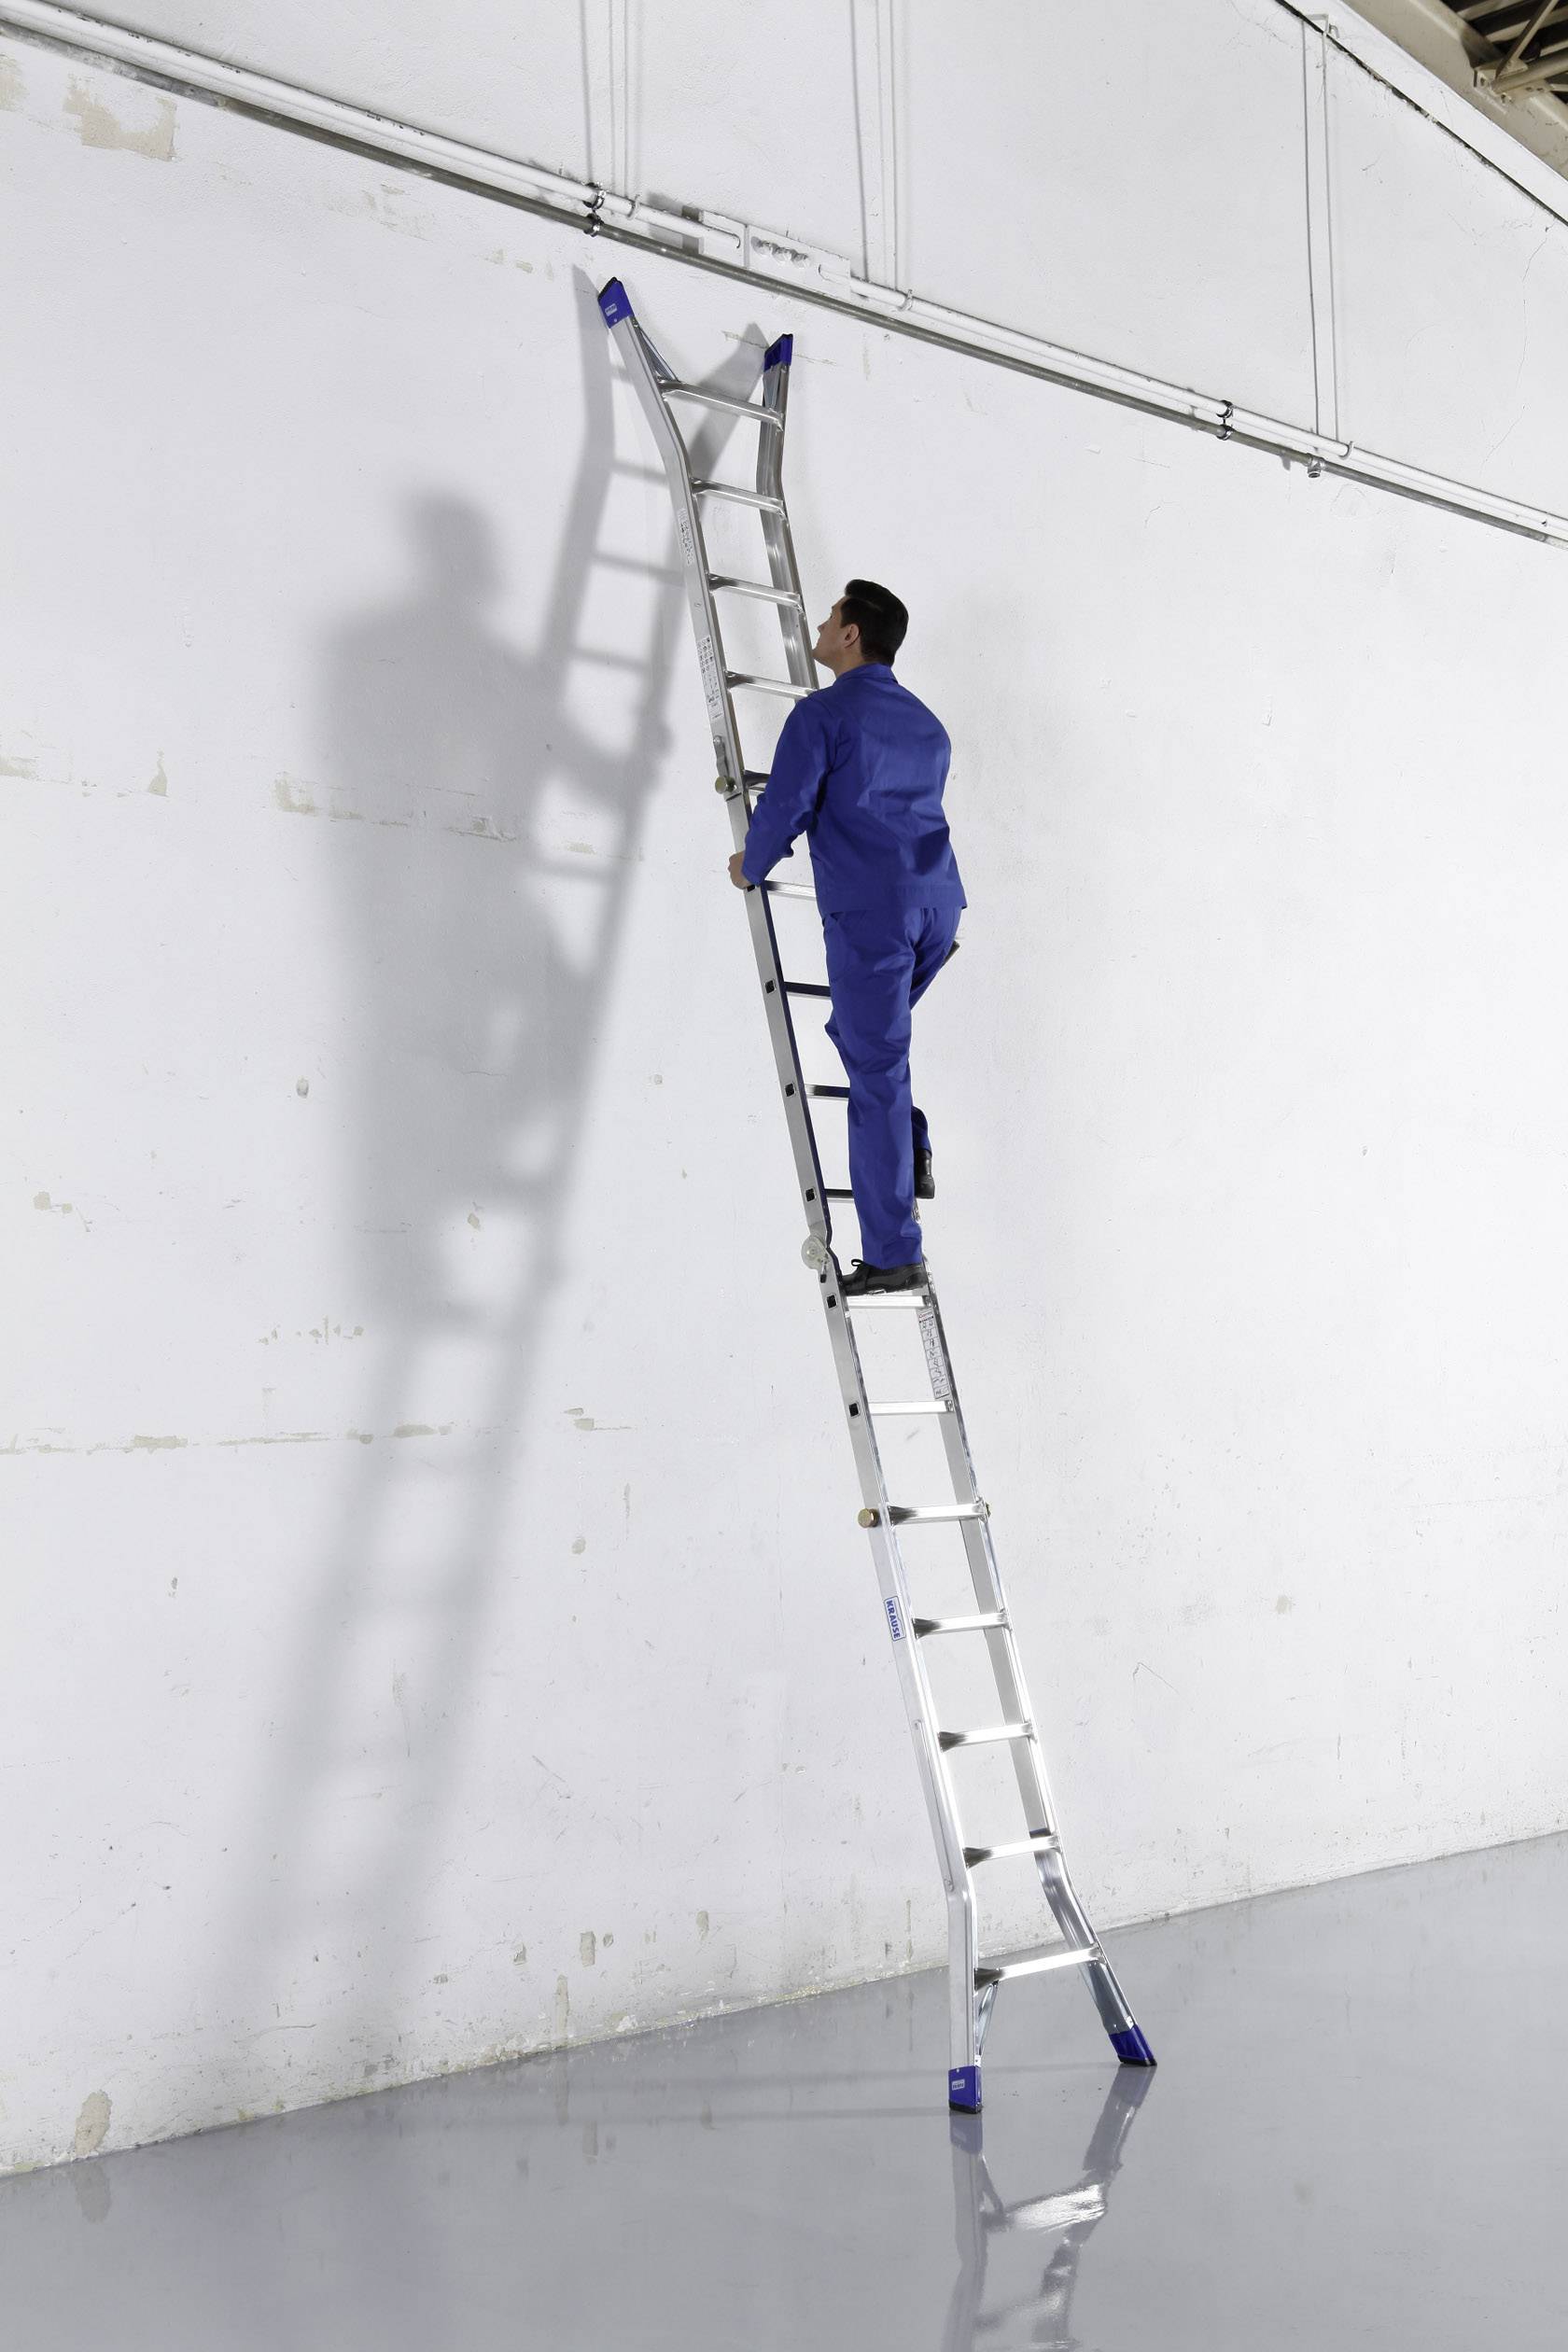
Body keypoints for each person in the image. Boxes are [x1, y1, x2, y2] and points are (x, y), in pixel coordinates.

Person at [728, 579, 965, 1296]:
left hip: (876, 917)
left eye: (831, 617)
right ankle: (910, 1138)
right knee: (873, 1051)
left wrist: (751, 865)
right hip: (939, 908)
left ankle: (895, 1252)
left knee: (874, 1069)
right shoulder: (929, 725)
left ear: (853, 634)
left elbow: (789, 803)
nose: (822, 625)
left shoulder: (823, 715)